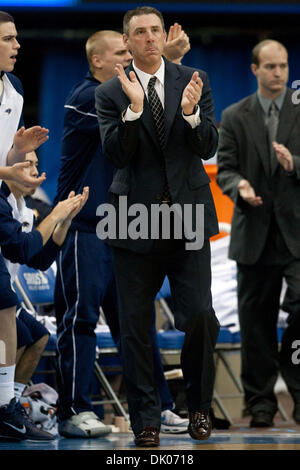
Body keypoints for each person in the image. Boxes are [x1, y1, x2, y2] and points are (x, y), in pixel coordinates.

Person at [54, 24, 191, 438]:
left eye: (130, 54)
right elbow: (143, 116)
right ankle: (74, 409)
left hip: (125, 229)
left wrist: (167, 67)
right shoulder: (85, 98)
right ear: (97, 60)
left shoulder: (127, 90)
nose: (129, 60)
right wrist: (168, 63)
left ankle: (156, 409)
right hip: (83, 226)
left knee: (137, 324)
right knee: (79, 319)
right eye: (120, 53)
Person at [95, 6, 220, 447]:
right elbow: (115, 154)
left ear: (165, 36)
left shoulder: (193, 79)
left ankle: (199, 408)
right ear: (127, 42)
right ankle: (145, 418)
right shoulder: (111, 91)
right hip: (132, 220)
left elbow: (208, 146)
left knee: (201, 317)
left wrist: (189, 116)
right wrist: (132, 110)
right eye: (139, 33)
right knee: (133, 326)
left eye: (155, 31)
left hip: (186, 217)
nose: (149, 38)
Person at [217, 39, 300, 427]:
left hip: (296, 233)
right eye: (270, 67)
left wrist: (294, 163)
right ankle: (261, 403)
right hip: (254, 234)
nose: (278, 73)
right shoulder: (235, 115)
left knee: (299, 314)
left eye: (282, 66)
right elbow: (227, 168)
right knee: (256, 323)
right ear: (255, 70)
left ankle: (298, 391)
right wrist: (240, 188)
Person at [0, 10, 54, 442]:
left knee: (10, 311)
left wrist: (19, 157)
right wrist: (9, 173)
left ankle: (5, 403)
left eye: (16, 38)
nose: (17, 46)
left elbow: (5, 161)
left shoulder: (14, 89)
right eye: (8, 39)